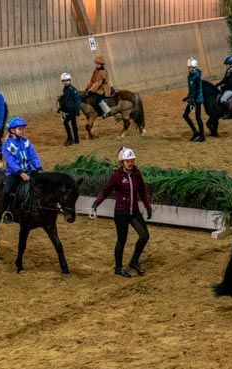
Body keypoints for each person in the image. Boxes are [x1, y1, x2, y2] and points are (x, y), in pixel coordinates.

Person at [92, 147, 152, 278]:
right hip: (121, 213)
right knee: (122, 240)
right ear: (122, 162)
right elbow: (106, 191)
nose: (130, 163)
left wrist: (147, 207)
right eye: (128, 161)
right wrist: (96, 203)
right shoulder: (116, 176)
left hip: (134, 211)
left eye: (132, 160)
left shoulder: (137, 174)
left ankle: (134, 261)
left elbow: (142, 191)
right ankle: (118, 268)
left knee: (144, 236)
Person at [1, 116, 43, 224]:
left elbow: (33, 156)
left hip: (28, 171)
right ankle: (7, 211)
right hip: (14, 173)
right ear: (12, 130)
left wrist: (38, 167)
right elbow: (11, 162)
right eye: (19, 129)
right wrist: (20, 172)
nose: (22, 131)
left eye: (22, 129)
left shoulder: (26, 142)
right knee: (7, 191)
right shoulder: (8, 145)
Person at [182, 57, 205, 142]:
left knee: (198, 117)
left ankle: (202, 136)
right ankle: (195, 132)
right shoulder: (189, 76)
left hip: (197, 100)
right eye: (189, 67)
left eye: (192, 67)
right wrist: (187, 97)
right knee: (185, 115)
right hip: (192, 99)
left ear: (195, 67)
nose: (191, 69)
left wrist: (193, 99)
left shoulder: (197, 77)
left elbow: (197, 90)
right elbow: (191, 89)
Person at [58, 72, 81, 146]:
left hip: (73, 109)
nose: (65, 82)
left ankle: (70, 139)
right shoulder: (65, 89)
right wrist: (61, 107)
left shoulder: (72, 89)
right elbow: (66, 100)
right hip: (69, 109)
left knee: (65, 122)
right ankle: (76, 140)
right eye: (63, 81)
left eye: (66, 80)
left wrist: (77, 109)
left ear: (69, 80)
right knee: (73, 124)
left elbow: (77, 99)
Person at [85, 54, 112, 118]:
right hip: (97, 87)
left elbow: (98, 83)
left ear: (101, 64)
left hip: (103, 88)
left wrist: (91, 90)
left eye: (97, 64)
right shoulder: (96, 70)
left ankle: (107, 111)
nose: (96, 65)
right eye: (96, 64)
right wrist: (88, 87)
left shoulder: (102, 72)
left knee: (98, 99)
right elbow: (92, 80)